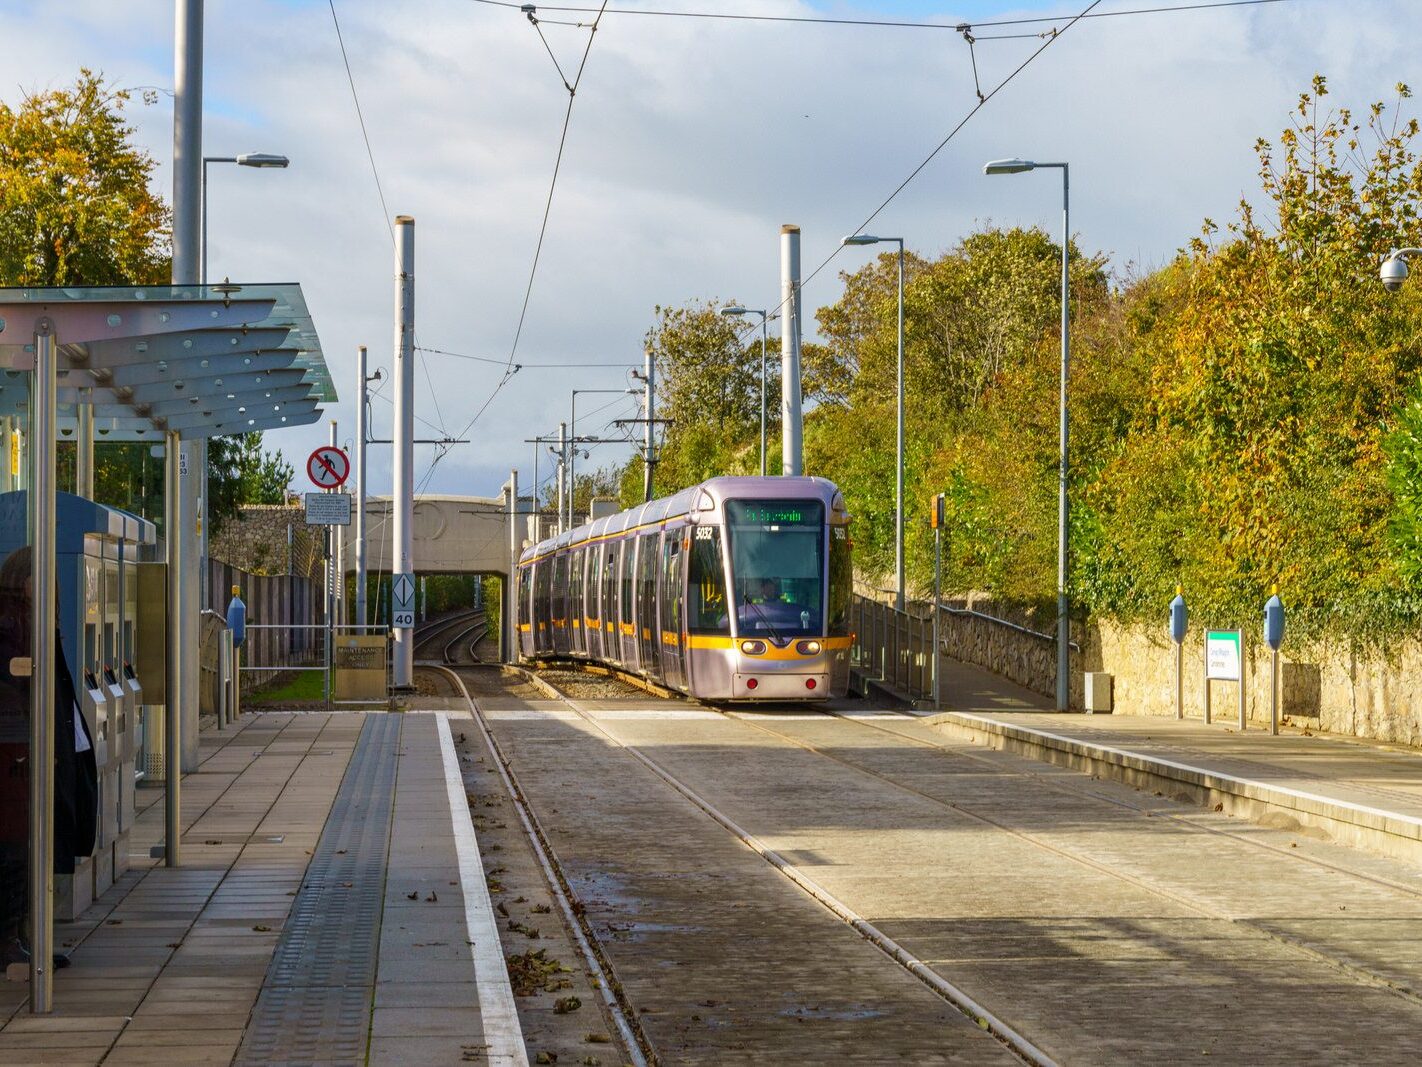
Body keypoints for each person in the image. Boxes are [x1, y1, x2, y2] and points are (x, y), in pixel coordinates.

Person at [0, 547, 94, 969]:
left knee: (29, 847)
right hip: (17, 751)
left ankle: (21, 936)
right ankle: (11, 941)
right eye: (46, 581)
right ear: (26, 580)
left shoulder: (32, 622)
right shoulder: (16, 623)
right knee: (18, 849)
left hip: (32, 747)